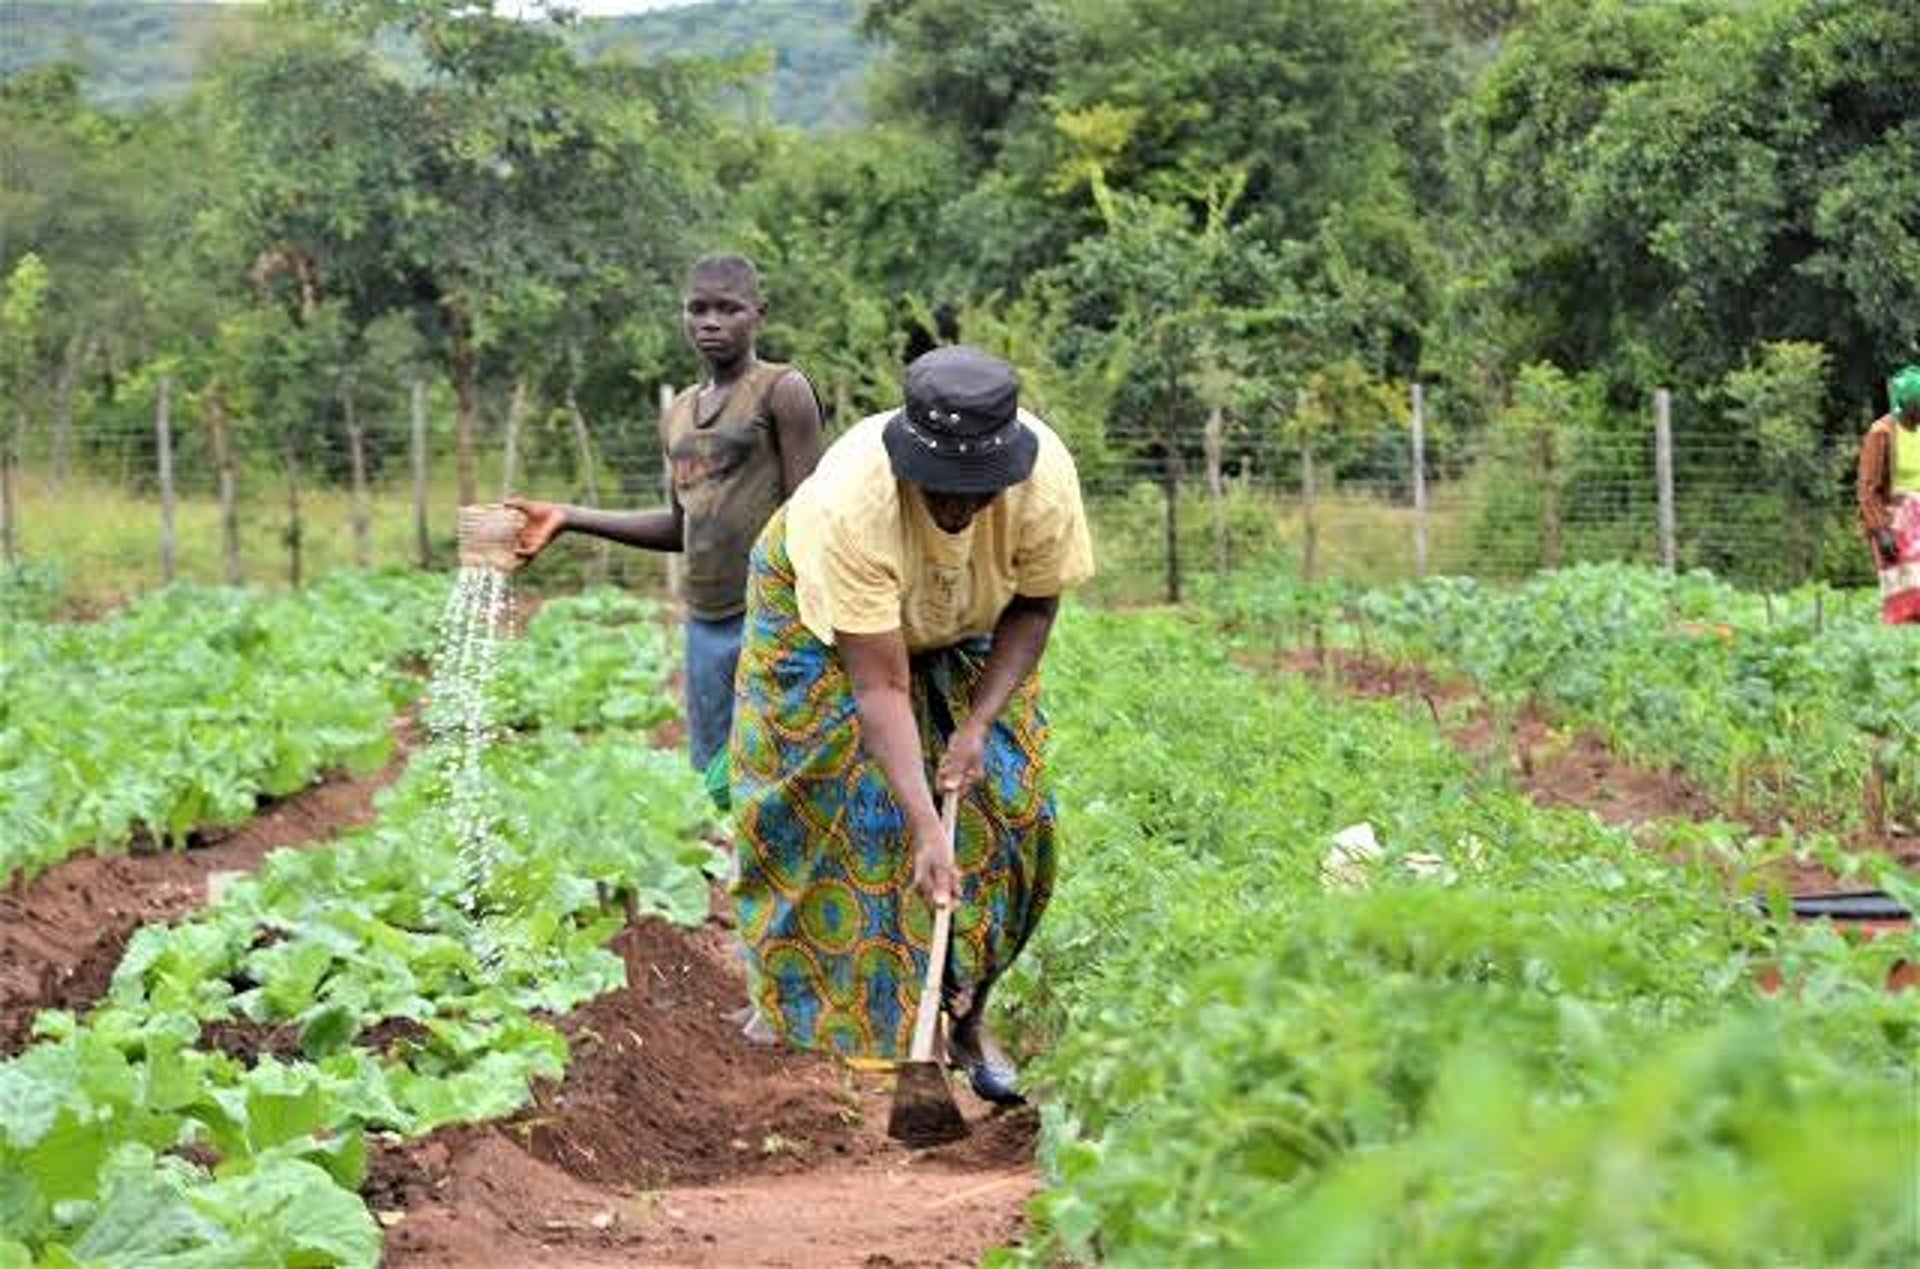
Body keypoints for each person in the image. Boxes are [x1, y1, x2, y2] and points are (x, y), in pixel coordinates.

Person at [727, 345, 1094, 1104]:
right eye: (942, 492)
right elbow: (881, 682)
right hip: (819, 615)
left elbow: (1036, 604)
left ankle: (964, 1014)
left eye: (977, 492)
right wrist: (927, 826)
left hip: (973, 616)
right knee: (841, 808)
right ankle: (832, 1035)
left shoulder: (1045, 482)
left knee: (1015, 812)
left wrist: (978, 725)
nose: (958, 510)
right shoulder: (851, 505)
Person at [511, 254, 824, 772]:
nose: (711, 322)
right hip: (705, 619)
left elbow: (813, 522)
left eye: (729, 309)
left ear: (759, 314)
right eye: (697, 309)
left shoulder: (781, 391)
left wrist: (801, 622)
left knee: (781, 768)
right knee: (720, 776)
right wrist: (568, 517)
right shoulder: (678, 414)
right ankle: (733, 857)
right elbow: (680, 527)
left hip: (770, 615)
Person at [1857, 364, 1920, 625]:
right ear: (1908, 405)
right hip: (1894, 519)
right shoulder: (1881, 433)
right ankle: (1902, 644)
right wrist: (1881, 530)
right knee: (1905, 591)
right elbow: (1867, 488)